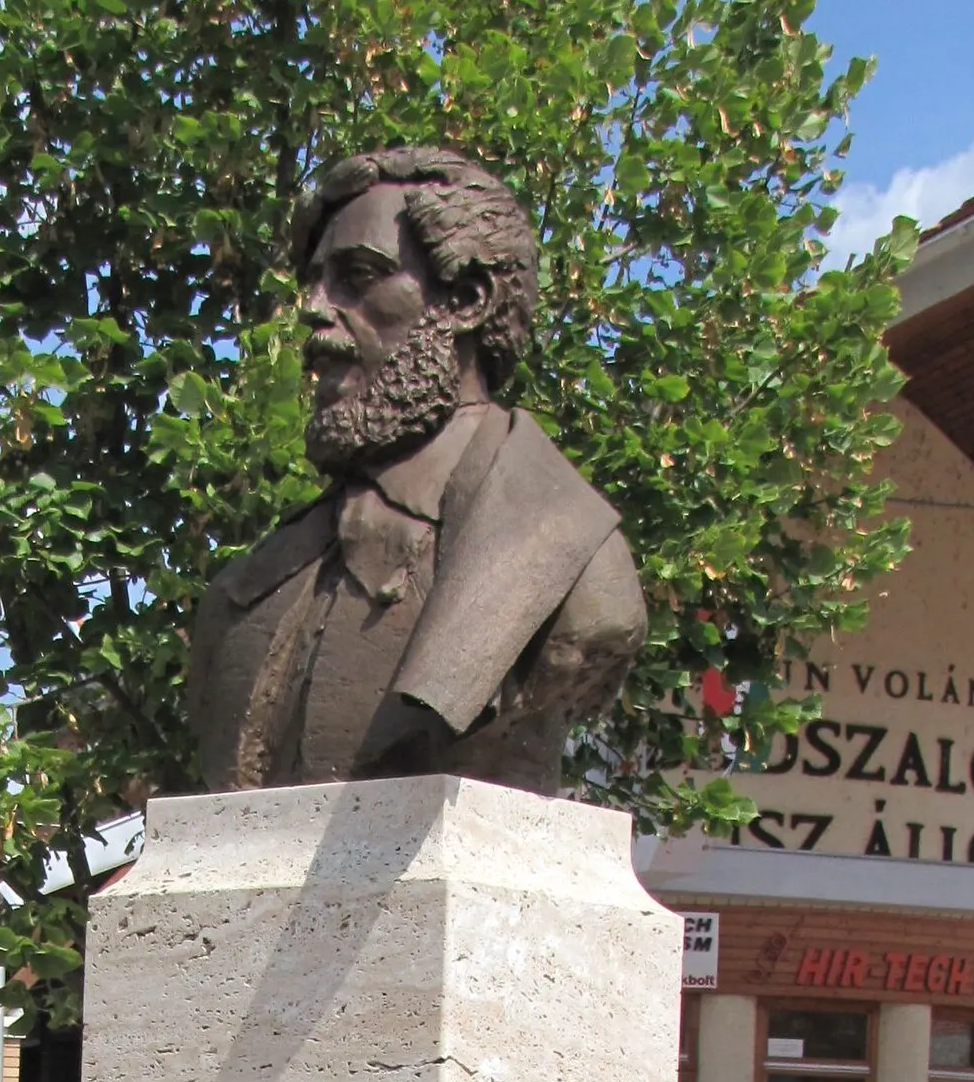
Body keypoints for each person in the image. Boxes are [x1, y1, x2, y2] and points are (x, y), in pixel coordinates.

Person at [188, 146, 647, 796]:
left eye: (358, 276)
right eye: (315, 282)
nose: (315, 308)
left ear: (466, 299)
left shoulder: (578, 569)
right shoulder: (243, 592)